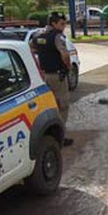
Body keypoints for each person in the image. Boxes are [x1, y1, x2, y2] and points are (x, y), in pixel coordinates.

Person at [30, 12, 74, 146]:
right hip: (57, 76)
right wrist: (68, 68)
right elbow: (65, 55)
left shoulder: (38, 35)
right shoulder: (57, 37)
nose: (64, 26)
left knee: (48, 105)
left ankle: (49, 134)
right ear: (54, 23)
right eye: (61, 24)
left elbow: (31, 49)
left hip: (44, 76)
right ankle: (60, 137)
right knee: (62, 105)